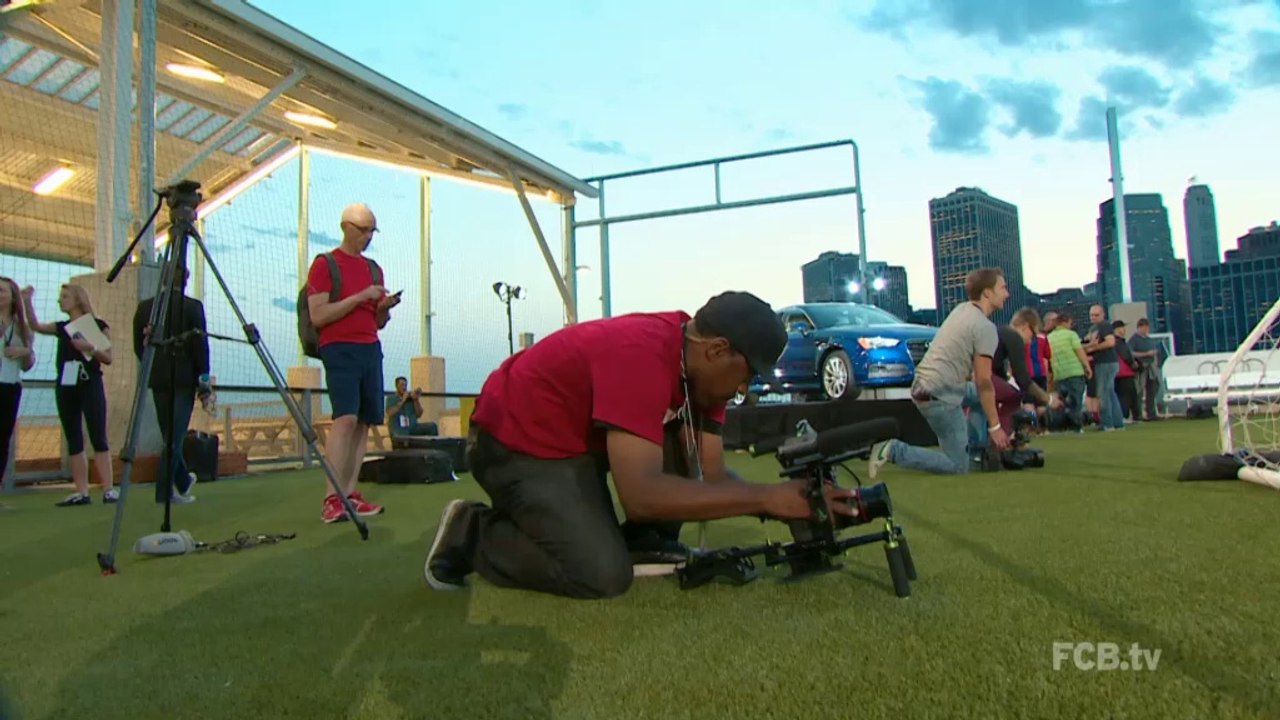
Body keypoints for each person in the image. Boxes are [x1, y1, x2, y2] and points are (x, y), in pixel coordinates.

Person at [422, 291, 861, 600]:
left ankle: (643, 542)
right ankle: (472, 532)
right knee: (600, 575)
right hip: (515, 441)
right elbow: (643, 496)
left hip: (573, 441)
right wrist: (767, 496)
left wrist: (797, 503)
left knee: (670, 459)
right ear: (717, 350)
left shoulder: (704, 379)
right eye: (748, 374)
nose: (746, 387)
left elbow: (710, 473)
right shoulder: (643, 355)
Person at [306, 203, 401, 523]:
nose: (368, 237)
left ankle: (349, 492)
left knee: (364, 421)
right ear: (346, 227)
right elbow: (319, 315)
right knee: (345, 419)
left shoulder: (374, 269)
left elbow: (378, 322)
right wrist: (361, 297)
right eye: (364, 230)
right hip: (339, 348)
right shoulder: (325, 265)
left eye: (372, 231)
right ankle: (330, 497)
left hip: (370, 347)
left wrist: (384, 307)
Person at [867, 267, 1011, 477]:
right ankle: (892, 450)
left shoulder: (962, 310)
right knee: (957, 466)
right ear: (987, 293)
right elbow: (983, 382)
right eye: (1003, 288)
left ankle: (977, 452)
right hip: (940, 395)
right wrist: (995, 427)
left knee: (979, 398)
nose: (1007, 293)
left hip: (928, 385)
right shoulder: (985, 327)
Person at [23, 283, 116, 506]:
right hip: (66, 384)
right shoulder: (62, 327)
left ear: (78, 299)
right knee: (73, 437)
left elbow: (108, 357)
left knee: (98, 435)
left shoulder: (96, 325)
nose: (60, 300)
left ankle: (109, 489)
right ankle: (81, 491)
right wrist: (26, 301)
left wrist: (89, 347)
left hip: (89, 382)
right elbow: (35, 325)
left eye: (65, 296)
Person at [133, 267, 210, 504]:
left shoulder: (146, 307)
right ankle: (164, 492)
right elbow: (200, 344)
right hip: (183, 378)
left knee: (169, 434)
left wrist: (154, 363)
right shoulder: (192, 307)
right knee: (174, 438)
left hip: (158, 378)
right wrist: (204, 377)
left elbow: (139, 345)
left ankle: (184, 481)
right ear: (185, 281)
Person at [0, 277, 35, 486]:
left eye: (2, 291)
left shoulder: (22, 328)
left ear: (13, 297)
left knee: (3, 438)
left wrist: (24, 350)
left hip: (10, 387)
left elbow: (27, 365)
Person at [1046, 312, 1091, 431]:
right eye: (1070, 323)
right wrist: (1087, 366)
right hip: (1074, 371)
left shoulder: (1049, 338)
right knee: (1076, 400)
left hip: (1059, 374)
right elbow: (1079, 351)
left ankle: (1063, 426)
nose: (1071, 326)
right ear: (1065, 322)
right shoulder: (1071, 335)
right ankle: (1076, 426)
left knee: (1062, 401)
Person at [1082, 304, 1124, 431]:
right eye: (1091, 315)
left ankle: (1107, 423)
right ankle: (1117, 423)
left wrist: (1093, 347)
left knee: (1103, 393)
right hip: (1105, 363)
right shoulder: (1094, 328)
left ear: (1103, 314)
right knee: (1110, 393)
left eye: (1096, 315)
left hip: (1105, 362)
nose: (1093, 317)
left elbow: (1111, 342)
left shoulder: (1104, 325)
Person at [1127, 318, 1163, 421]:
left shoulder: (1149, 339)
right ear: (1139, 327)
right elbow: (1130, 353)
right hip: (1141, 367)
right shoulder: (1134, 339)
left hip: (1151, 367)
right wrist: (1145, 354)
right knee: (1139, 390)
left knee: (1153, 388)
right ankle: (1138, 414)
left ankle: (1151, 412)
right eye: (1144, 327)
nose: (1146, 330)